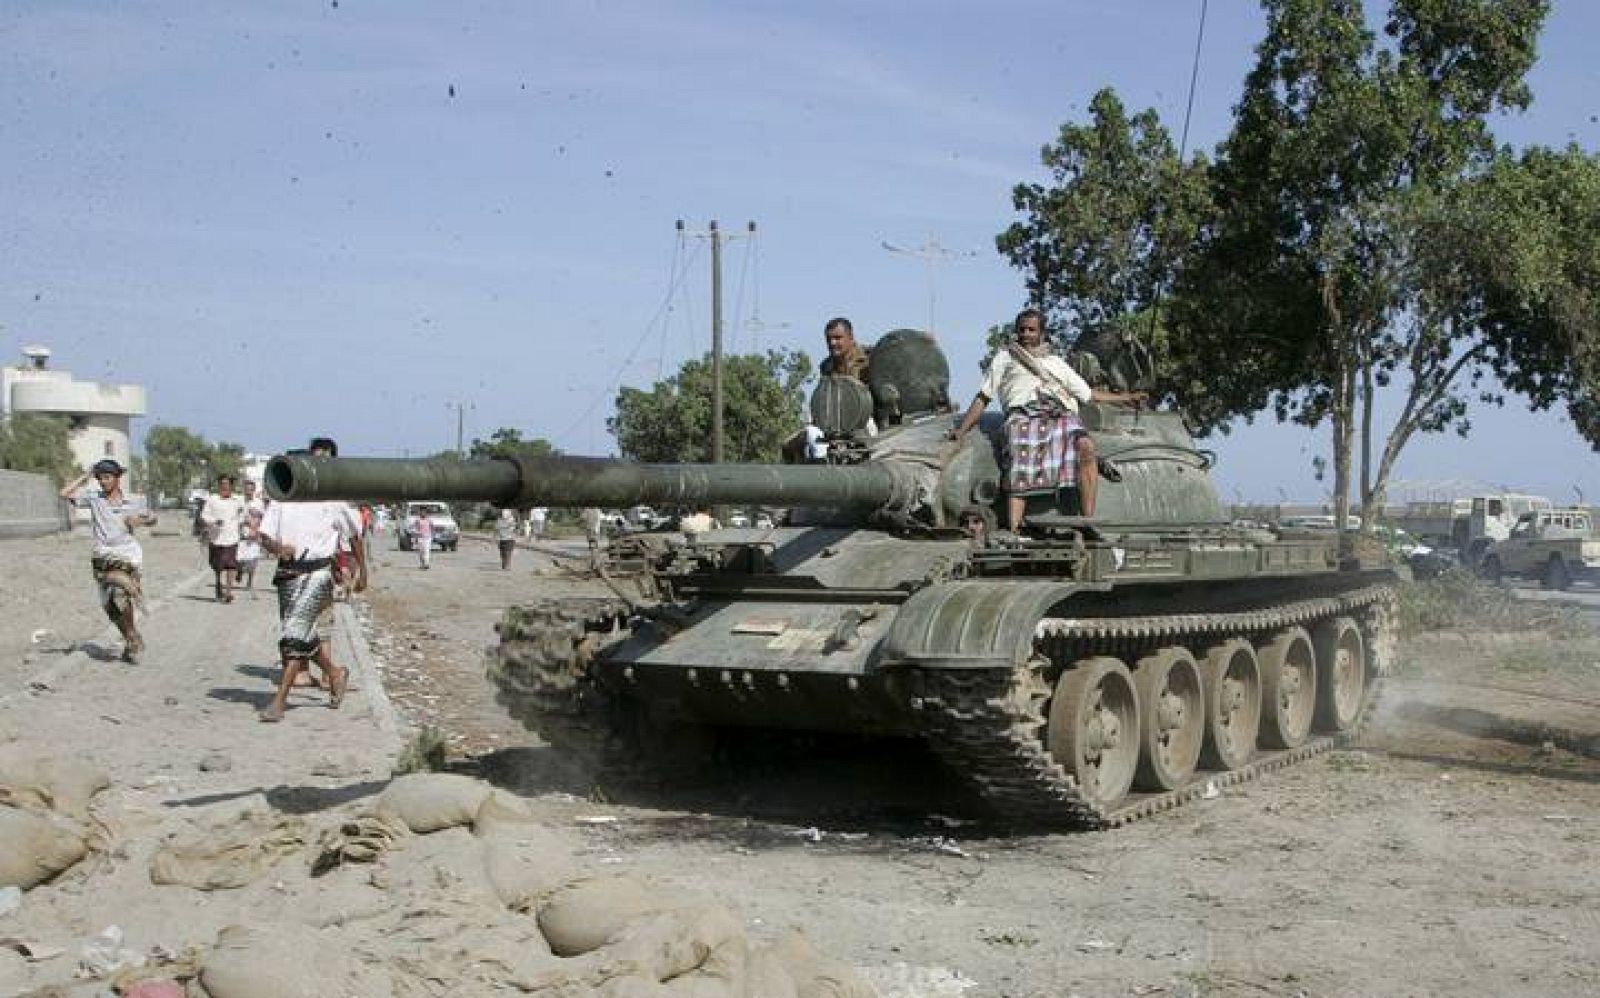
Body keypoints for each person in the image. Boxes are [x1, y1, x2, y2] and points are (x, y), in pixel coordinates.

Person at [950, 308, 1144, 534]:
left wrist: (1127, 398)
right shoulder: (1005, 358)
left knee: (1086, 447)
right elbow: (984, 396)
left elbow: (1088, 395)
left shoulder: (1056, 363)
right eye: (1022, 329)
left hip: (1058, 416)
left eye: (1032, 330)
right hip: (1022, 416)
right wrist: (962, 430)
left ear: (1042, 333)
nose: (1026, 334)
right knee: (1019, 457)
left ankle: (1086, 521)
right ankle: (1014, 528)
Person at [255, 445, 367, 723]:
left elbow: (355, 537)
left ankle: (279, 702)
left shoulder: (333, 501)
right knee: (302, 637)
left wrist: (362, 571)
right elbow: (264, 535)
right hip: (288, 574)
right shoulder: (282, 500)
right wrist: (278, 547)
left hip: (317, 574)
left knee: (293, 637)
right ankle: (335, 672)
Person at [59, 460, 157, 663]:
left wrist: (141, 521)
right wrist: (85, 477)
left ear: (117, 478)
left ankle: (131, 620)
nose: (103, 482)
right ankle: (131, 636)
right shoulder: (94, 498)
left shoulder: (134, 499)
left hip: (127, 552)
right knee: (110, 605)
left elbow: (152, 518)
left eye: (107, 477)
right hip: (103, 553)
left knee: (120, 592)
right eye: (100, 478)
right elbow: (64, 494)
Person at [199, 475, 247, 602]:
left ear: (231, 485)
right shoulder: (212, 499)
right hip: (216, 538)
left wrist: (242, 524)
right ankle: (218, 583)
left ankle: (228, 592)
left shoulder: (238, 500)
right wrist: (214, 521)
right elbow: (204, 516)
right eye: (222, 484)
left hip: (232, 538)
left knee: (231, 565)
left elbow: (242, 515)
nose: (224, 486)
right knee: (217, 566)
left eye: (227, 484)